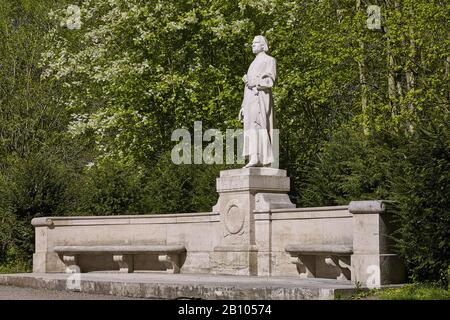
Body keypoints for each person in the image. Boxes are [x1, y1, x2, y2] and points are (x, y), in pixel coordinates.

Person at [238, 35, 276, 168]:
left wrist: (255, 82)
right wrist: (243, 106)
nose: (252, 45)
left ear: (262, 45)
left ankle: (258, 156)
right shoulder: (252, 63)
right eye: (252, 43)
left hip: (260, 98)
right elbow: (246, 87)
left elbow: (270, 81)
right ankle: (253, 157)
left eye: (255, 43)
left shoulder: (269, 60)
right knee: (250, 127)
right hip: (249, 99)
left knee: (257, 125)